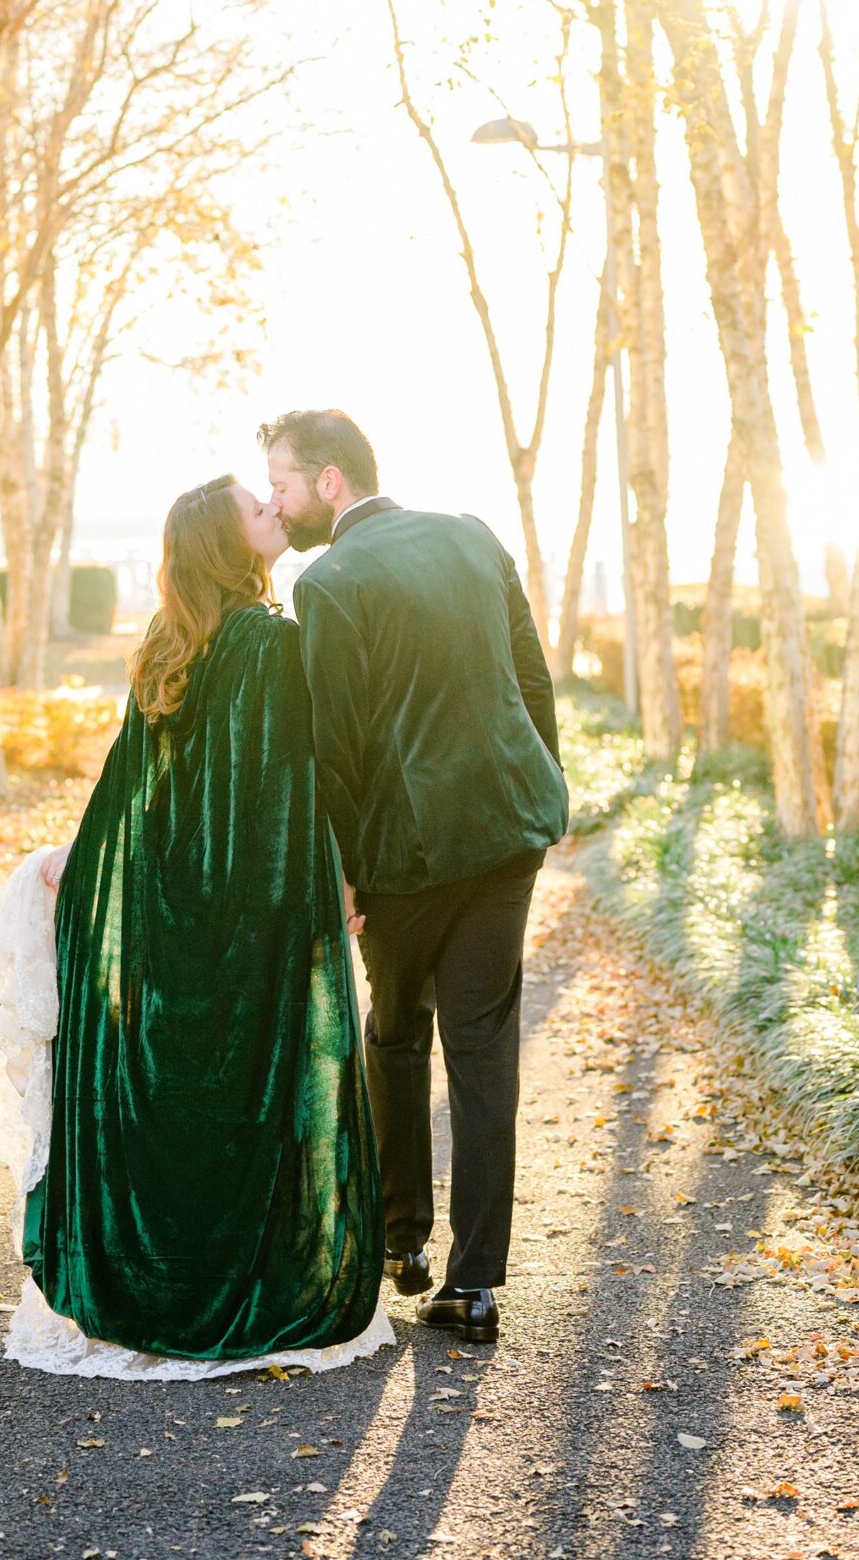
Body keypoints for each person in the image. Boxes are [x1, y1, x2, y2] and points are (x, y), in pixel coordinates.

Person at [0, 474, 391, 1380]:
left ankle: (156, 1276)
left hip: (172, 904)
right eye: (258, 508)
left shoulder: (168, 645)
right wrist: (334, 884)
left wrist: (86, 863)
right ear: (225, 544)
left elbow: (130, 789)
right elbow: (288, 794)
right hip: (248, 913)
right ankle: (248, 1278)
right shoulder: (271, 645)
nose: (276, 511)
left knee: (183, 1096)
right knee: (248, 1094)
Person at [262, 408, 570, 1347]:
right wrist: (538, 789)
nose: (274, 499)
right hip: (508, 831)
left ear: (328, 481)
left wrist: (345, 870)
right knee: (481, 1050)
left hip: (405, 856)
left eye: (280, 480)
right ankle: (475, 1287)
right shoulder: (471, 536)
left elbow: (337, 749)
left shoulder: (330, 582)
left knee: (395, 1035)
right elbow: (532, 677)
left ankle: (403, 1247)